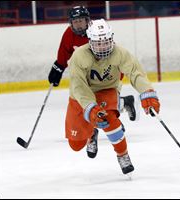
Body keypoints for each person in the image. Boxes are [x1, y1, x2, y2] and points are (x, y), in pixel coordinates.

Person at [65, 19, 160, 175]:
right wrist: (91, 108)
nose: (103, 47)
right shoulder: (79, 56)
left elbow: (135, 72)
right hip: (80, 98)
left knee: (108, 119)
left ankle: (123, 154)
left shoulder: (120, 53)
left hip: (107, 91)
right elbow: (79, 87)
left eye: (107, 42)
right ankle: (92, 130)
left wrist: (147, 92)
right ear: (90, 41)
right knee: (75, 145)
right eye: (98, 43)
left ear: (112, 38)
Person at [47, 6, 139, 159]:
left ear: (87, 20)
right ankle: (123, 103)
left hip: (105, 77)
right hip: (86, 78)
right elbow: (64, 53)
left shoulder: (97, 32)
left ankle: (96, 132)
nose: (78, 25)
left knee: (99, 105)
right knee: (88, 104)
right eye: (75, 22)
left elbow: (111, 53)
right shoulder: (69, 34)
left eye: (81, 21)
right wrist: (58, 67)